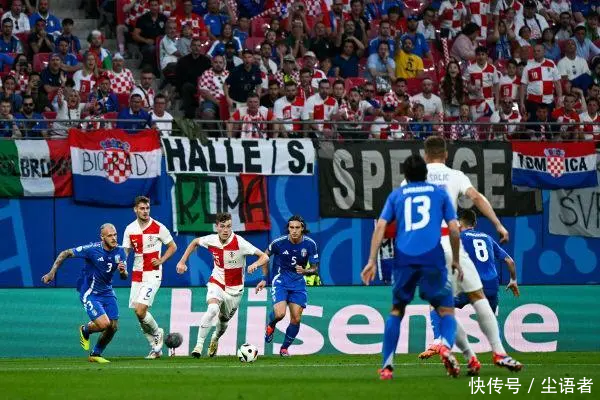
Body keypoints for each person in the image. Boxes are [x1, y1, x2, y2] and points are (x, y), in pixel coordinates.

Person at [416, 136, 523, 372]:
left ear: (425, 155)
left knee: (441, 306)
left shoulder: (413, 178)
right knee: (478, 296)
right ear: (446, 155)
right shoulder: (455, 175)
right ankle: (499, 352)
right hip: (450, 241)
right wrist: (498, 224)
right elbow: (476, 197)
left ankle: (460, 351)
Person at [361, 154, 462, 379]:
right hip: (433, 257)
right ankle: (446, 347)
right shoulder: (440, 193)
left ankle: (387, 366)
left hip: (404, 258)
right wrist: (455, 259)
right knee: (446, 310)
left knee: (397, 310)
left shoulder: (397, 195)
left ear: (405, 175)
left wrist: (371, 260)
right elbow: (454, 229)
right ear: (426, 174)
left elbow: (381, 227)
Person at [427, 209, 520, 375]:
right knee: (490, 319)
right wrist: (513, 280)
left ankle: (439, 341)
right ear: (475, 223)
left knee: (439, 307)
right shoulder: (487, 238)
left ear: (459, 223)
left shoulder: (458, 237)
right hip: (491, 286)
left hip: (469, 283)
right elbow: (509, 261)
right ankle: (499, 352)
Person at [176, 212, 269, 358]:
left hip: (235, 290)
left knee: (223, 321)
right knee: (212, 309)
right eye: (222, 226)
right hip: (217, 282)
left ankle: (215, 338)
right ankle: (198, 346)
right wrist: (182, 261)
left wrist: (256, 264)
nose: (226, 230)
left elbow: (265, 256)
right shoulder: (211, 240)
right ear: (217, 227)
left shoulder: (240, 242)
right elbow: (194, 242)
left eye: (229, 226)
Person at [41, 223, 127, 363]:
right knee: (104, 324)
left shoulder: (120, 251)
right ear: (102, 237)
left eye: (115, 235)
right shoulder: (92, 249)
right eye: (110, 236)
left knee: (113, 327)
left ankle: (95, 354)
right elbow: (65, 253)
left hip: (107, 292)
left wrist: (123, 272)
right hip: (91, 293)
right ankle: (85, 329)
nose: (113, 238)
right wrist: (52, 273)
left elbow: (124, 277)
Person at [254, 215, 319, 357]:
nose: (294, 230)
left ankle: (284, 348)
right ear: (288, 228)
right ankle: (271, 325)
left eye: (297, 228)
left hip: (298, 283)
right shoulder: (279, 243)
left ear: (302, 228)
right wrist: (264, 279)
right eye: (291, 227)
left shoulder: (310, 244)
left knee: (296, 318)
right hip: (281, 281)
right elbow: (264, 257)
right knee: (280, 314)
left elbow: (315, 268)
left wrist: (305, 271)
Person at [122, 196, 178, 359]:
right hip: (137, 274)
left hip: (153, 274)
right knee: (138, 314)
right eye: (142, 208)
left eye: (147, 208)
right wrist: (122, 266)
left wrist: (161, 260)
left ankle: (157, 332)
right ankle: (156, 349)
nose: (145, 211)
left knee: (141, 310)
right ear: (135, 210)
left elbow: (173, 246)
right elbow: (125, 251)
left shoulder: (158, 227)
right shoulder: (130, 229)